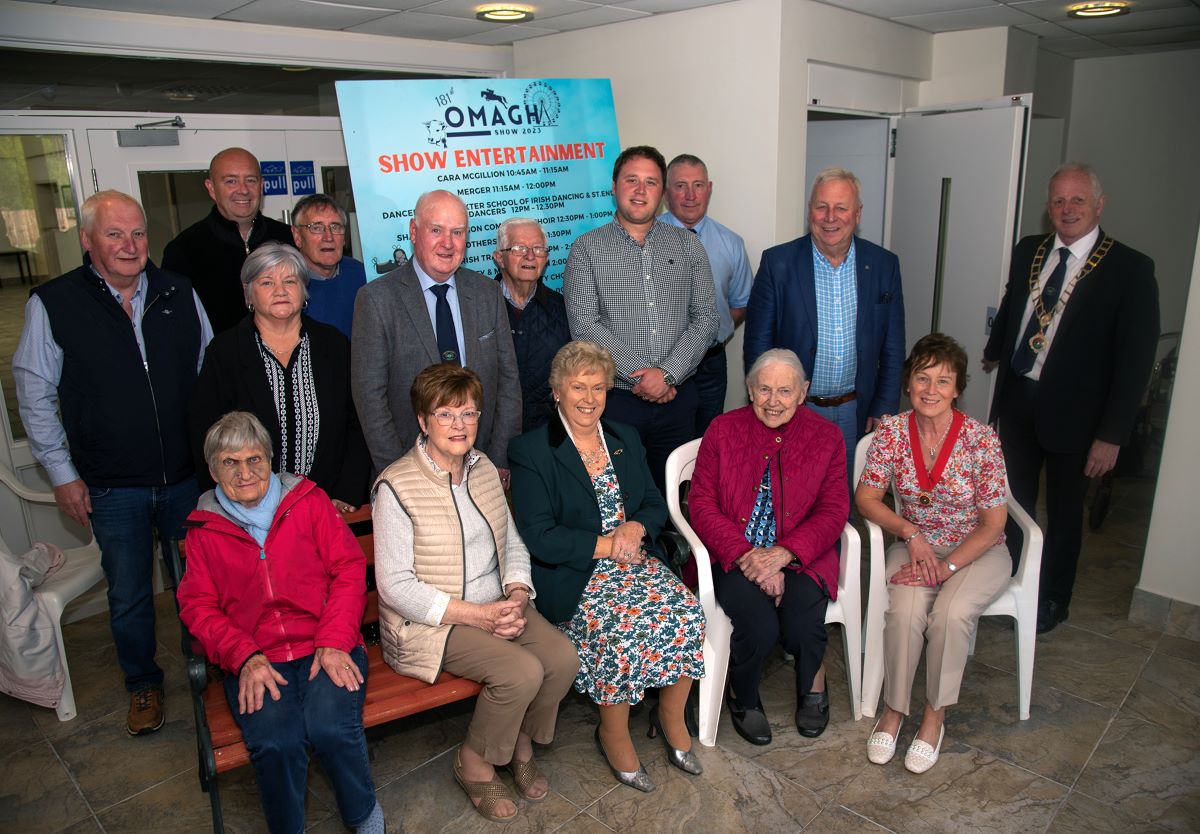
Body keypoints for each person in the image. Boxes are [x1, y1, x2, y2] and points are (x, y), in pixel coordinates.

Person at [13, 190, 212, 735]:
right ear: (87, 240)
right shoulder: (54, 302)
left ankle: (210, 674)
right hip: (110, 486)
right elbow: (34, 396)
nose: (130, 245)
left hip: (185, 478)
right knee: (127, 595)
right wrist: (63, 476)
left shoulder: (179, 291)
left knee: (199, 584)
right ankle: (143, 685)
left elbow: (207, 373)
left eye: (139, 233)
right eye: (114, 234)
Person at [372, 364, 578, 823]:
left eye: (468, 413)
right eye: (445, 415)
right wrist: (479, 617)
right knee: (521, 672)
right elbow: (395, 586)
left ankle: (518, 740)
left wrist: (519, 593)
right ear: (423, 422)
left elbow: (511, 540)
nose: (460, 425)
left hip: (498, 604)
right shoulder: (396, 486)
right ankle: (475, 762)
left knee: (563, 658)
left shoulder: (483, 467)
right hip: (432, 621)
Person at [508, 341, 706, 793]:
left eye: (598, 387)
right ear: (556, 391)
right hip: (577, 574)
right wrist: (606, 545)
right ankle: (612, 734)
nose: (588, 398)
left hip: (636, 563)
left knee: (687, 612)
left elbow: (656, 504)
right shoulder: (531, 450)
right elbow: (540, 535)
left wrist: (635, 526)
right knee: (622, 629)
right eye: (578, 386)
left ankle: (672, 719)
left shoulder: (623, 437)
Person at [177, 412, 382, 834]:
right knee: (277, 741)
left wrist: (333, 641)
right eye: (230, 463)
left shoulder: (308, 502)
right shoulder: (204, 528)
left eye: (254, 459)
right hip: (256, 657)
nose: (245, 472)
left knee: (330, 726)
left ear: (271, 460)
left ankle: (364, 818)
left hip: (327, 642)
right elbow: (198, 606)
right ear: (214, 470)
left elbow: (347, 569)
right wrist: (244, 656)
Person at [983, 162, 1159, 634]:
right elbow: (1013, 307)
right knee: (1012, 503)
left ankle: (1053, 598)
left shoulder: (1130, 269)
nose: (1067, 209)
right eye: (1058, 200)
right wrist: (995, 350)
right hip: (1020, 402)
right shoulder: (1030, 251)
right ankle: (1007, 582)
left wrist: (1113, 435)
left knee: (1063, 514)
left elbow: (1135, 361)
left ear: (1098, 205)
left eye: (1077, 200)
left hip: (1080, 420)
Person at [856, 334, 1010, 774]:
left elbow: (994, 523)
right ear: (908, 382)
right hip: (916, 544)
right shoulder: (891, 433)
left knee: (951, 614)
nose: (931, 390)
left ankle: (933, 717)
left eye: (944, 381)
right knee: (904, 612)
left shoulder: (981, 440)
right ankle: (894, 711)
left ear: (958, 388)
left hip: (977, 550)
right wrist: (911, 534)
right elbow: (867, 498)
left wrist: (946, 567)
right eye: (923, 378)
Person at [688, 349, 847, 745]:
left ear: (803, 392)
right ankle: (743, 695)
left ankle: (814, 681)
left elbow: (833, 510)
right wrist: (747, 555)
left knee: (800, 623)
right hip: (733, 555)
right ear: (749, 389)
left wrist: (782, 554)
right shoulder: (723, 430)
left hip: (799, 554)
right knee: (758, 626)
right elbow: (702, 504)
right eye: (764, 389)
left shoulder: (827, 437)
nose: (773, 400)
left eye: (784, 391)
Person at [563, 145, 718, 494]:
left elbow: (706, 318)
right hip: (614, 404)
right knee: (621, 495)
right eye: (631, 180)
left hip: (678, 400)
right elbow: (584, 325)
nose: (640, 190)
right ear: (614, 186)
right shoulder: (586, 249)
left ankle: (672, 550)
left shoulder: (689, 246)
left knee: (675, 497)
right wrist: (643, 377)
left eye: (650, 182)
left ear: (662, 193)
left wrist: (666, 375)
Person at [743, 167, 905, 484]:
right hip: (791, 407)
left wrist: (885, 406)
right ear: (810, 211)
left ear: (857, 214)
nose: (830, 217)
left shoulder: (884, 264)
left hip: (853, 409)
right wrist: (768, 402)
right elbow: (757, 345)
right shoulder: (778, 263)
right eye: (822, 206)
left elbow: (893, 345)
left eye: (841, 208)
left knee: (837, 499)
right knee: (786, 491)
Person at [352, 189, 521, 483]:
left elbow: (508, 380)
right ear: (414, 232)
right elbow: (370, 399)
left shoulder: (487, 293)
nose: (447, 243)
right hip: (408, 472)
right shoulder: (377, 299)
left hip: (481, 467)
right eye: (436, 230)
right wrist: (400, 473)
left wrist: (499, 458)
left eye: (457, 232)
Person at [189, 241, 370, 511]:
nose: (280, 291)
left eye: (290, 281)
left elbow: (358, 426)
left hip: (329, 507)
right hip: (251, 513)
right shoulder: (225, 354)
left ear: (304, 289)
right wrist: (233, 503)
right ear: (248, 293)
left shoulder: (333, 346)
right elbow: (206, 437)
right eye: (266, 283)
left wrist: (346, 493)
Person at [661, 153, 753, 437]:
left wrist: (708, 333)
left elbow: (738, 305)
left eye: (698, 185)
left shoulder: (731, 243)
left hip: (710, 365)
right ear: (666, 192)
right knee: (665, 444)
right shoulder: (645, 239)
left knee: (707, 445)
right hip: (660, 364)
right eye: (680, 186)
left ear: (709, 189)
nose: (690, 195)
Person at [163, 147, 293, 334]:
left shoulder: (288, 239)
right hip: (219, 360)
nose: (243, 190)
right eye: (231, 181)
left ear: (261, 185)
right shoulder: (184, 250)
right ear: (211, 188)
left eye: (250, 180)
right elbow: (177, 326)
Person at [493, 217, 570, 431]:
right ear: (499, 257)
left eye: (538, 249)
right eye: (519, 248)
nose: (529, 256)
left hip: (546, 435)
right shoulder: (478, 307)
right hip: (490, 436)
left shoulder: (562, 310)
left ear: (546, 259)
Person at [290, 193, 367, 339]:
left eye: (335, 227)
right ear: (297, 236)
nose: (329, 237)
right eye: (317, 228)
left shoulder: (362, 276)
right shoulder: (286, 284)